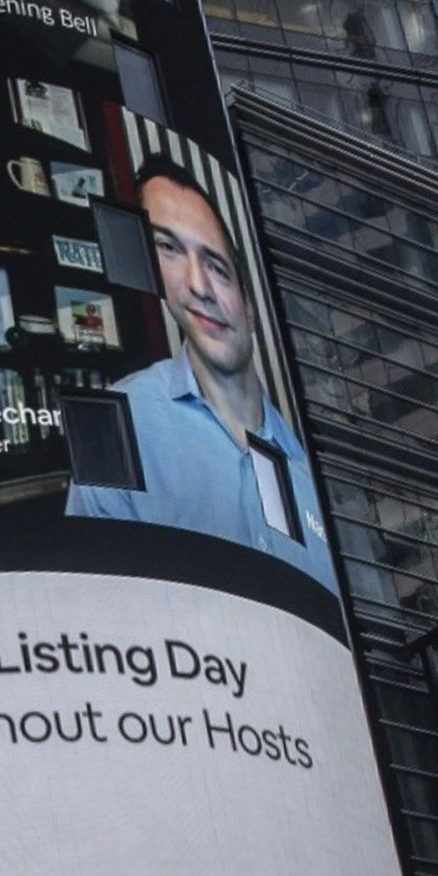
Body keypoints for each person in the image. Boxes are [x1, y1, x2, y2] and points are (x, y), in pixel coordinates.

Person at [67, 159, 337, 588]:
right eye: (170, 249)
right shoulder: (115, 424)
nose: (199, 287)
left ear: (249, 306)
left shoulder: (313, 479)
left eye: (216, 265)